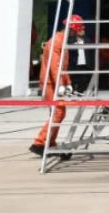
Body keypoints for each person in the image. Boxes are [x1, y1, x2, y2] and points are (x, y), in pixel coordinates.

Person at [30, 12, 85, 154]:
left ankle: (49, 141)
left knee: (58, 113)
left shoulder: (62, 42)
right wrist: (61, 84)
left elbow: (62, 67)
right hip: (50, 83)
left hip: (54, 82)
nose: (77, 35)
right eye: (77, 31)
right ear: (71, 29)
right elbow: (55, 67)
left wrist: (68, 83)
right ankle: (39, 142)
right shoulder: (56, 42)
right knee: (58, 112)